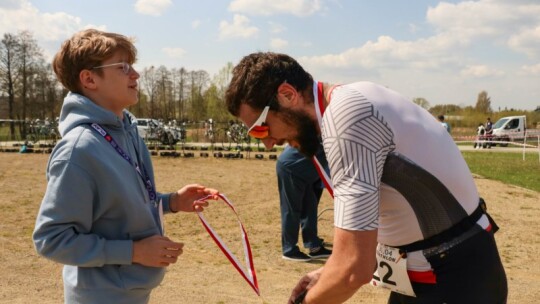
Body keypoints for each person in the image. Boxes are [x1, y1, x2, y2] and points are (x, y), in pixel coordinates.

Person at [225, 52, 507, 304]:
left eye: (261, 129)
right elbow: (360, 249)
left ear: (287, 95)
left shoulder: (347, 119)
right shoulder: (348, 101)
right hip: (436, 271)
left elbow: (353, 268)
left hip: (454, 278)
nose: (267, 143)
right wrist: (327, 272)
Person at [32, 29, 219, 304]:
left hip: (131, 293)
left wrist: (172, 202)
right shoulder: (78, 150)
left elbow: (117, 206)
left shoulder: (127, 131)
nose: (136, 74)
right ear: (89, 79)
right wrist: (134, 252)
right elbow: (51, 239)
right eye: (122, 67)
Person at [277, 145, 332, 262]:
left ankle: (314, 247)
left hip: (305, 173)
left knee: (310, 208)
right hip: (291, 167)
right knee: (292, 210)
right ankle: (289, 250)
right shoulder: (328, 135)